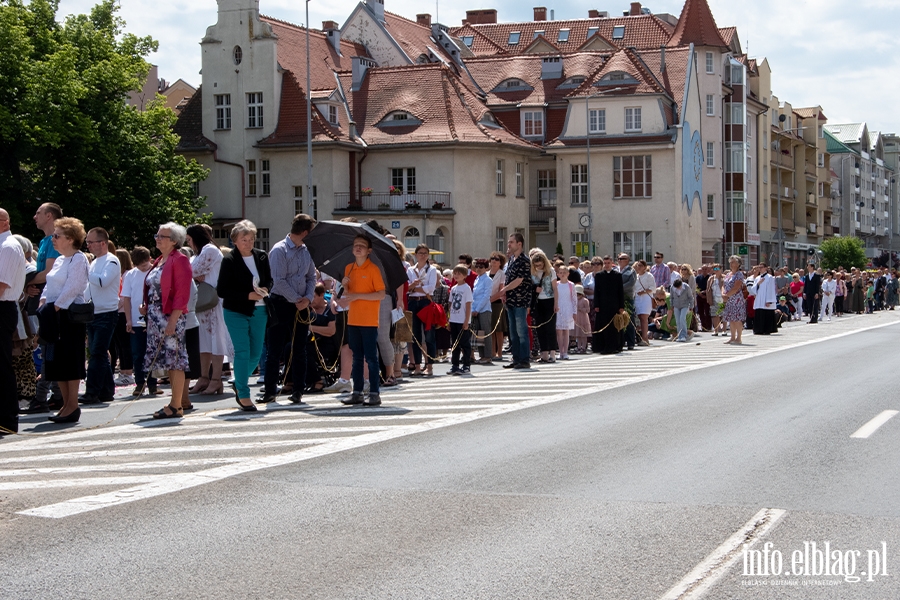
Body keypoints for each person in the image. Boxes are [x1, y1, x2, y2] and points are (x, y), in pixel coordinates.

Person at [38, 217, 90, 424]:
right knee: (56, 361)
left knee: (70, 360)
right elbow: (50, 284)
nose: (53, 239)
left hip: (68, 317)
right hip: (53, 314)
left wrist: (57, 306)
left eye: (57, 236)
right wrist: (44, 301)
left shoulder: (78, 259)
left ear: (70, 238)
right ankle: (65, 405)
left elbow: (75, 286)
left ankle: (72, 405)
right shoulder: (59, 260)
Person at [262, 214, 317, 403]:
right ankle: (270, 390)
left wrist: (308, 298)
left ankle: (298, 390)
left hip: (301, 304)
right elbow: (278, 281)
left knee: (300, 347)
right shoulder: (280, 250)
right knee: (274, 349)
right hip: (281, 303)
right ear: (303, 232)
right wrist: (297, 299)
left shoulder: (306, 250)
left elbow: (311, 277)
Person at [216, 220, 269, 411]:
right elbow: (222, 290)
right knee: (243, 351)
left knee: (255, 354)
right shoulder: (229, 260)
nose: (248, 242)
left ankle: (239, 380)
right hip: (236, 311)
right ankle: (244, 394)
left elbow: (269, 280)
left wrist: (264, 289)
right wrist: (248, 295)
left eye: (251, 239)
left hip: (260, 309)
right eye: (244, 239)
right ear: (235, 241)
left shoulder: (262, 256)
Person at [143, 222, 193, 419]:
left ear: (173, 241)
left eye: (161, 236)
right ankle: (175, 403)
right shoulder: (160, 261)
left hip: (170, 316)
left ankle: (176, 404)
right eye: (157, 235)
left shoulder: (179, 260)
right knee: (167, 360)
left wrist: (173, 320)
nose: (157, 238)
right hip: (156, 316)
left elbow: (182, 293)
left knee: (175, 360)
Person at [337, 234, 386, 406]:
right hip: (353, 319)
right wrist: (344, 284)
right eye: (356, 245)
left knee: (371, 358)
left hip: (369, 320)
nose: (358, 248)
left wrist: (357, 295)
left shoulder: (373, 269)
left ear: (369, 251)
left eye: (362, 246)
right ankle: (357, 392)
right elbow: (348, 295)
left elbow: (380, 294)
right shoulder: (349, 268)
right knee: (357, 357)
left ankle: (374, 392)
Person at [186, 224, 231, 395]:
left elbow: (191, 270)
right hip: (203, 302)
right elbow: (192, 271)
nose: (189, 244)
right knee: (204, 343)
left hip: (213, 301)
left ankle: (216, 379)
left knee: (216, 341)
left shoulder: (210, 250)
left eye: (190, 240)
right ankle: (203, 377)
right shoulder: (199, 253)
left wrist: (196, 274)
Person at [79, 228, 121, 404]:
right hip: (94, 312)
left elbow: (103, 281)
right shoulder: (95, 262)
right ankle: (106, 389)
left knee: (97, 352)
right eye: (87, 242)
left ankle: (93, 390)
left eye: (91, 242)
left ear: (102, 243)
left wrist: (86, 271)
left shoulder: (111, 261)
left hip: (106, 313)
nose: (88, 245)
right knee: (99, 353)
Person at [0, 209, 27, 435]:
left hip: (2, 308)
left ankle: (7, 421)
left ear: (5, 222)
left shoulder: (8, 246)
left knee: (2, 365)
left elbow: (2, 284)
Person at [122, 246, 161, 397]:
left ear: (150, 259)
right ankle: (139, 383)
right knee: (137, 353)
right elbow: (127, 298)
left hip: (152, 319)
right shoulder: (131, 275)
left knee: (152, 352)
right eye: (139, 266)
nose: (142, 268)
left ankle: (152, 383)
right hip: (136, 321)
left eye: (145, 265)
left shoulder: (156, 272)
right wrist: (128, 320)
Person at [500, 233, 532, 369]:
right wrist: (504, 294)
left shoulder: (524, 260)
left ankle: (524, 359)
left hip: (520, 301)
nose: (509, 244)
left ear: (519, 244)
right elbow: (508, 278)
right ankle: (516, 358)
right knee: (513, 332)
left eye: (511, 242)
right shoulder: (511, 260)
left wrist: (504, 290)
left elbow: (519, 280)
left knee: (521, 331)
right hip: (511, 301)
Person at [407, 243, 438, 377]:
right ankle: (418, 366)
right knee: (415, 335)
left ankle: (429, 365)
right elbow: (407, 288)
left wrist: (416, 288)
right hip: (413, 302)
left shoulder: (432, 270)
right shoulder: (410, 270)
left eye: (425, 253)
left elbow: (430, 288)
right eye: (420, 253)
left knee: (429, 334)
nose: (423, 255)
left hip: (425, 302)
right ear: (416, 255)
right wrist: (413, 287)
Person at [591, 255, 626, 354]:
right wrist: (596, 305)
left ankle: (615, 346)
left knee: (614, 327)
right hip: (602, 305)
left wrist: (621, 306)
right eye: (605, 263)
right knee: (603, 325)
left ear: (612, 263)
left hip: (614, 305)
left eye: (608, 263)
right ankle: (602, 346)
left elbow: (620, 292)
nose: (606, 265)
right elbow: (596, 292)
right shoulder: (599, 275)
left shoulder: (617, 275)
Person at [111, 248, 134, 387]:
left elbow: (124, 297)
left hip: (122, 312)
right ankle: (124, 372)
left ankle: (128, 372)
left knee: (125, 344)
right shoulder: (121, 275)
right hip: (118, 312)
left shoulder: (126, 275)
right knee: (119, 344)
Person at [529, 249, 557, 363]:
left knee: (550, 328)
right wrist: (534, 289)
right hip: (538, 302)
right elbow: (529, 287)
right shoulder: (532, 272)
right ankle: (544, 353)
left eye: (540, 265)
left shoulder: (551, 271)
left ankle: (552, 354)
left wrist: (556, 303)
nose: (538, 267)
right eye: (536, 265)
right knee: (540, 328)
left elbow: (555, 288)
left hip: (549, 300)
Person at [447, 264, 473, 375]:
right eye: (455, 273)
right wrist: (448, 320)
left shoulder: (467, 288)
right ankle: (455, 364)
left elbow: (468, 306)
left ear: (464, 275)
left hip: (462, 320)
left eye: (459, 274)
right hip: (454, 319)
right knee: (454, 344)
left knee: (464, 344)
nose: (456, 276)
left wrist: (466, 321)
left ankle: (466, 364)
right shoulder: (453, 288)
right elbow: (450, 305)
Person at [471, 258, 493, 365]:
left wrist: (478, 309)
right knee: (479, 333)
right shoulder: (477, 279)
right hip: (475, 309)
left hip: (484, 309)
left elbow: (486, 296)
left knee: (485, 332)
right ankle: (481, 355)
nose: (479, 269)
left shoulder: (487, 280)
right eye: (477, 267)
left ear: (486, 268)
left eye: (481, 267)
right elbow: (474, 296)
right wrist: (473, 309)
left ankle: (488, 355)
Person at [722, 255, 746, 345]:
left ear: (738, 264)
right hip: (728, 299)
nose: (731, 264)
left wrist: (727, 295)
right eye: (730, 262)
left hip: (736, 299)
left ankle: (738, 338)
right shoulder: (728, 274)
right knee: (731, 319)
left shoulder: (739, 274)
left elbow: (736, 287)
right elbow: (723, 285)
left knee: (737, 319)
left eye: (733, 262)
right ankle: (732, 337)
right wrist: (723, 293)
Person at [553, 263, 576, 360]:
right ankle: (560, 351)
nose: (562, 274)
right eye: (560, 273)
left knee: (566, 331)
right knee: (559, 331)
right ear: (557, 274)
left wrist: (575, 312)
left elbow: (574, 299)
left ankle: (565, 351)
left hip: (568, 308)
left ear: (568, 274)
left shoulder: (571, 285)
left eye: (564, 273)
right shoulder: (556, 284)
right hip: (558, 308)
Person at [487, 252, 507, 361]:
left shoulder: (502, 274)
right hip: (486, 304)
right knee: (490, 330)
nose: (494, 261)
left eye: (496, 259)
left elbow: (501, 291)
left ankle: (499, 352)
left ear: (500, 262)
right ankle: (492, 352)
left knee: (499, 329)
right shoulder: (485, 274)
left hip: (497, 303)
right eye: (492, 259)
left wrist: (490, 300)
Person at [750, 263, 777, 335]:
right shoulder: (757, 278)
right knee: (759, 313)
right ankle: (758, 329)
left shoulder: (770, 277)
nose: (760, 269)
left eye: (761, 267)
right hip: (759, 298)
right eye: (759, 267)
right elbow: (753, 289)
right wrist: (758, 284)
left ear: (766, 268)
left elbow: (771, 289)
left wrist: (769, 301)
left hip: (766, 298)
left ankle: (767, 329)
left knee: (766, 314)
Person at [633, 259, 655, 345]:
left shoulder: (649, 276)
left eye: (641, 266)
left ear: (645, 267)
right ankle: (641, 336)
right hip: (638, 298)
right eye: (638, 265)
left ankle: (645, 338)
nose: (639, 267)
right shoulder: (636, 276)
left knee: (644, 317)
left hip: (646, 298)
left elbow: (653, 288)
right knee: (639, 317)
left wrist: (643, 291)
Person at [618, 254, 637, 350]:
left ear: (628, 260)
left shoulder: (631, 271)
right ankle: (620, 341)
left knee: (629, 319)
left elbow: (631, 283)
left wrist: (618, 289)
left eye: (623, 259)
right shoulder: (616, 270)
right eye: (619, 258)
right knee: (618, 319)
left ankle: (630, 342)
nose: (620, 260)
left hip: (627, 297)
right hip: (617, 298)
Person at [670, 277, 695, 342]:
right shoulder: (672, 288)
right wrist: (671, 305)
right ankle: (680, 336)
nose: (678, 288)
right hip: (676, 306)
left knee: (682, 318)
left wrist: (691, 306)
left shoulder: (686, 287)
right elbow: (671, 297)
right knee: (678, 321)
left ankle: (684, 335)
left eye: (679, 287)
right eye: (676, 287)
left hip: (685, 305)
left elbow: (690, 297)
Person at [706, 264, 725, 335]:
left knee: (722, 314)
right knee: (714, 315)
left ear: (721, 269)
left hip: (722, 299)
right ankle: (716, 330)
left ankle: (724, 330)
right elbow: (708, 289)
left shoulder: (724, 277)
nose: (716, 271)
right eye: (714, 269)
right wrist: (709, 299)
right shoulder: (711, 278)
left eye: (717, 269)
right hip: (714, 298)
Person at [574, 284, 591, 353]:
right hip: (577, 318)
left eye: (578, 294)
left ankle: (583, 347)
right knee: (578, 334)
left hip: (583, 318)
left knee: (583, 334)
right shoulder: (574, 300)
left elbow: (588, 310)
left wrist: (580, 309)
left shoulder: (585, 300)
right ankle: (578, 347)